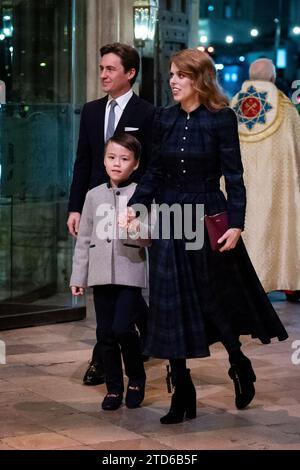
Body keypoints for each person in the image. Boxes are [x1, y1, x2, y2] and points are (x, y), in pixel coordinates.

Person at [126, 49, 288, 424]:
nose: (173, 81)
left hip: (204, 215)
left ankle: (238, 361)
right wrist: (136, 205)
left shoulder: (221, 118)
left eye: (181, 75)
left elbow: (234, 175)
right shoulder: (163, 119)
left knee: (207, 298)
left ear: (200, 79)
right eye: (171, 74)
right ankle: (182, 389)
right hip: (170, 215)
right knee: (169, 303)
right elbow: (153, 172)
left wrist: (236, 223)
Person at [67, 42, 155, 385]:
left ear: (129, 73)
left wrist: (141, 209)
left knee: (125, 280)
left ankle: (108, 357)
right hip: (97, 203)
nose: (103, 74)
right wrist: (76, 207)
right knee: (106, 283)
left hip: (132, 206)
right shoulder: (90, 111)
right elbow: (83, 161)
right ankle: (121, 348)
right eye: (101, 68)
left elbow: (151, 166)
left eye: (110, 69)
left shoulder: (147, 113)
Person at [70, 133, 148, 410]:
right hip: (100, 276)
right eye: (111, 157)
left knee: (123, 328)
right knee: (105, 333)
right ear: (103, 160)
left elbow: (151, 235)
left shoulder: (142, 193)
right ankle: (114, 388)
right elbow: (84, 239)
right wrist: (78, 276)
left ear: (136, 164)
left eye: (125, 159)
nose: (117, 163)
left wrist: (135, 227)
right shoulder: (93, 195)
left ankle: (136, 378)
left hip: (130, 274)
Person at [231, 58, 300, 301]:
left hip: (239, 192)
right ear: (272, 78)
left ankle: (239, 284)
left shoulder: (230, 108)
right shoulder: (286, 110)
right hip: (276, 192)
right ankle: (284, 282)